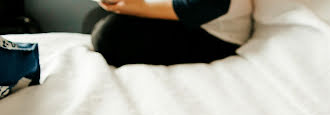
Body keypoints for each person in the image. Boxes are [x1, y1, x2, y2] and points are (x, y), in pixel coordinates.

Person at [85, 0, 252, 66]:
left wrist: (138, 7)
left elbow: (212, 5)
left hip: (216, 31)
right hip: (184, 13)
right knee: (95, 19)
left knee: (107, 36)